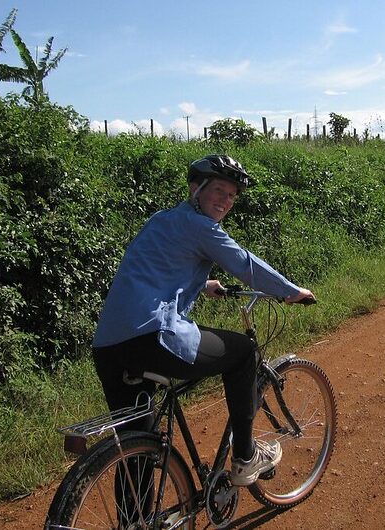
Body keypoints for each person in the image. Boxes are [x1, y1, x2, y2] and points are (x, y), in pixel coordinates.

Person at [92, 154, 315, 489]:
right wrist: (290, 291)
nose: (225, 200)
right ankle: (245, 457)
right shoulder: (202, 227)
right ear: (196, 189)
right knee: (243, 353)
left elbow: (156, 267)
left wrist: (204, 284)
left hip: (110, 346)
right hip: (153, 338)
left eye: (232, 195)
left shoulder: (163, 220)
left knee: (136, 446)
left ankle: (134, 521)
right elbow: (245, 264)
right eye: (219, 190)